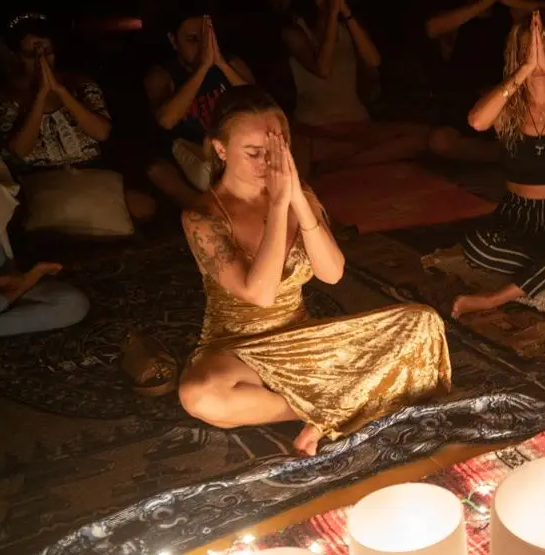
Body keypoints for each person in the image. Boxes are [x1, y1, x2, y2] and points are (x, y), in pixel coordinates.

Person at [177, 86, 452, 456]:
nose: (267, 164)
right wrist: (278, 206)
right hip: (236, 352)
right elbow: (260, 294)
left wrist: (297, 200)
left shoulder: (296, 191)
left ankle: (328, 404)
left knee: (423, 322)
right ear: (220, 150)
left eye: (277, 150)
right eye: (254, 153)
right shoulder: (202, 216)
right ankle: (334, 410)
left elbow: (332, 272)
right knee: (201, 396)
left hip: (301, 341)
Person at [450, 10, 545, 318]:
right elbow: (477, 121)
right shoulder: (507, 102)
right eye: (528, 53)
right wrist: (525, 70)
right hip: (516, 213)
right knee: (476, 246)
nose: (537, 60)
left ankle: (495, 298)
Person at [0, 13, 156, 221]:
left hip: (91, 170)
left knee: (144, 207)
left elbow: (102, 132)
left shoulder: (79, 83)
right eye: (31, 55)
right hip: (40, 179)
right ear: (17, 56)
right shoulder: (6, 97)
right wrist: (41, 95)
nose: (41, 61)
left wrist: (61, 92)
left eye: (47, 52)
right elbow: (20, 150)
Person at [284, 0, 433, 175]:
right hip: (317, 128)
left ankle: (344, 163)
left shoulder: (349, 27)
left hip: (358, 124)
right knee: (321, 148)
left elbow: (374, 60)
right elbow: (323, 69)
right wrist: (332, 14)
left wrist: (345, 11)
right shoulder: (295, 32)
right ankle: (355, 157)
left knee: (423, 137)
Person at [426, 0, 545, 163]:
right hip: (463, 103)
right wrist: (486, 1)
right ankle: (502, 155)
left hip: (504, 100)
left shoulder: (508, 14)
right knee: (439, 142)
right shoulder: (456, 18)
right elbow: (432, 28)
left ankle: (510, 152)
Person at [145, 0, 255, 207]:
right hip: (191, 154)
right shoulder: (162, 76)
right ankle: (208, 210)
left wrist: (221, 65)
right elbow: (166, 120)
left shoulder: (230, 65)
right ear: (173, 41)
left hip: (231, 147)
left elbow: (260, 102)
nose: (202, 47)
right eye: (192, 40)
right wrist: (203, 68)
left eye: (206, 39)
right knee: (159, 172)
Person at [0, 134, 89, 339]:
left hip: (0, 288)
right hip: (5, 293)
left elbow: (2, 185)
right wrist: (22, 285)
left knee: (72, 305)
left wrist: (9, 280)